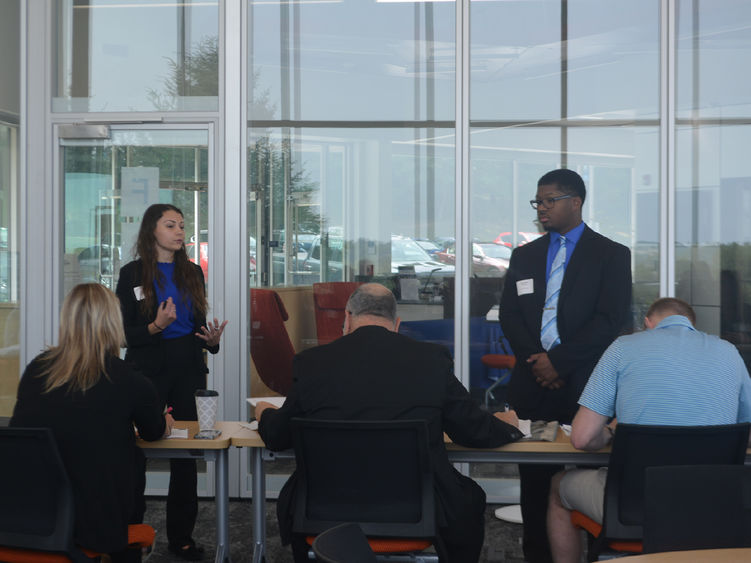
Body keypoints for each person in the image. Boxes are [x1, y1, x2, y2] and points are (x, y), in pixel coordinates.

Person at [256, 283, 524, 563]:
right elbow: (472, 430)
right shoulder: (431, 360)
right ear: (396, 324)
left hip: (324, 513)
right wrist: (505, 423)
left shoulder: (311, 363)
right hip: (419, 511)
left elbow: (278, 436)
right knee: (469, 497)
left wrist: (264, 412)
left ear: (347, 317)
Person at [546, 297, 751, 563]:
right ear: (692, 324)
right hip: (711, 507)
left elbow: (582, 438)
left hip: (633, 508)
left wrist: (610, 430)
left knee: (557, 488)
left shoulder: (623, 347)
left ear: (647, 324)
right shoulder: (729, 352)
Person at [499, 168, 632, 563]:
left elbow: (610, 320)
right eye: (537, 201)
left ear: (575, 202)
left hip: (584, 388)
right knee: (535, 483)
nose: (541, 208)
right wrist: (538, 362)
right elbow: (511, 316)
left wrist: (557, 362)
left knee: (591, 476)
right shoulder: (524, 255)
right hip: (533, 385)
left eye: (549, 200)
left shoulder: (610, 254)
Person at [10, 283, 173, 563]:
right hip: (98, 522)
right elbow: (154, 431)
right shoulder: (129, 380)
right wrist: (166, 421)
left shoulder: (37, 370)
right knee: (132, 459)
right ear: (113, 324)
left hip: (28, 513)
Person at [115, 203, 227, 561]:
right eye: (170, 225)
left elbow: (196, 326)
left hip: (187, 369)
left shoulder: (193, 272)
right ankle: (132, 533)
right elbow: (122, 334)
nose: (179, 232)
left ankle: (181, 539)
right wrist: (155, 327)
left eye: (182, 225)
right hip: (145, 372)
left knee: (185, 459)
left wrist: (211, 342)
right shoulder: (132, 273)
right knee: (136, 455)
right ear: (152, 232)